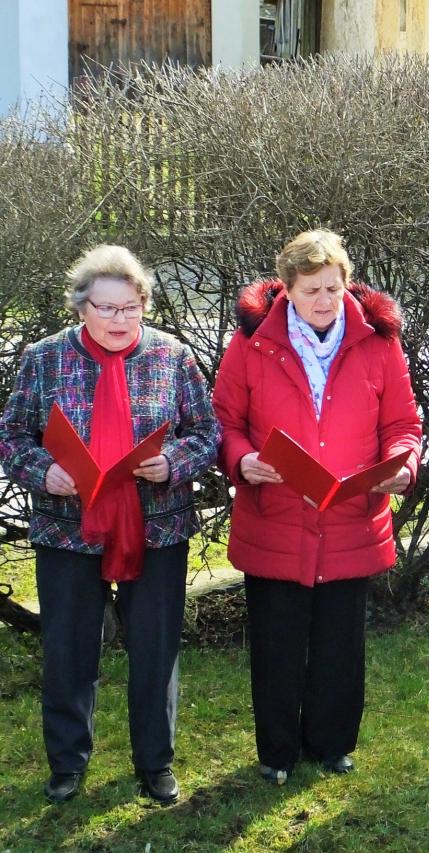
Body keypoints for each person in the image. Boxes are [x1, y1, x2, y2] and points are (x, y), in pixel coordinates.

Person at [0, 245, 220, 804]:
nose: (120, 319)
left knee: (155, 647)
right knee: (69, 649)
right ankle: (67, 763)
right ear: (81, 307)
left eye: (130, 307)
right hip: (68, 528)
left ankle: (155, 763)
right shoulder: (44, 358)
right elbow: (12, 436)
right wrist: (44, 471)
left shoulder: (173, 356)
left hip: (157, 527)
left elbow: (207, 433)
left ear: (144, 303)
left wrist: (173, 462)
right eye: (106, 308)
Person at [212, 229, 421, 784]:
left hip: (351, 517)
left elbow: (403, 423)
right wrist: (242, 459)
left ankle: (332, 744)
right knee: (276, 645)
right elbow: (226, 421)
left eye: (333, 288)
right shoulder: (251, 343)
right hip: (276, 517)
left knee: (339, 645)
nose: (324, 301)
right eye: (310, 291)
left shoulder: (379, 342)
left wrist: (402, 465)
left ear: (347, 283)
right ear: (286, 290)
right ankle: (277, 752)